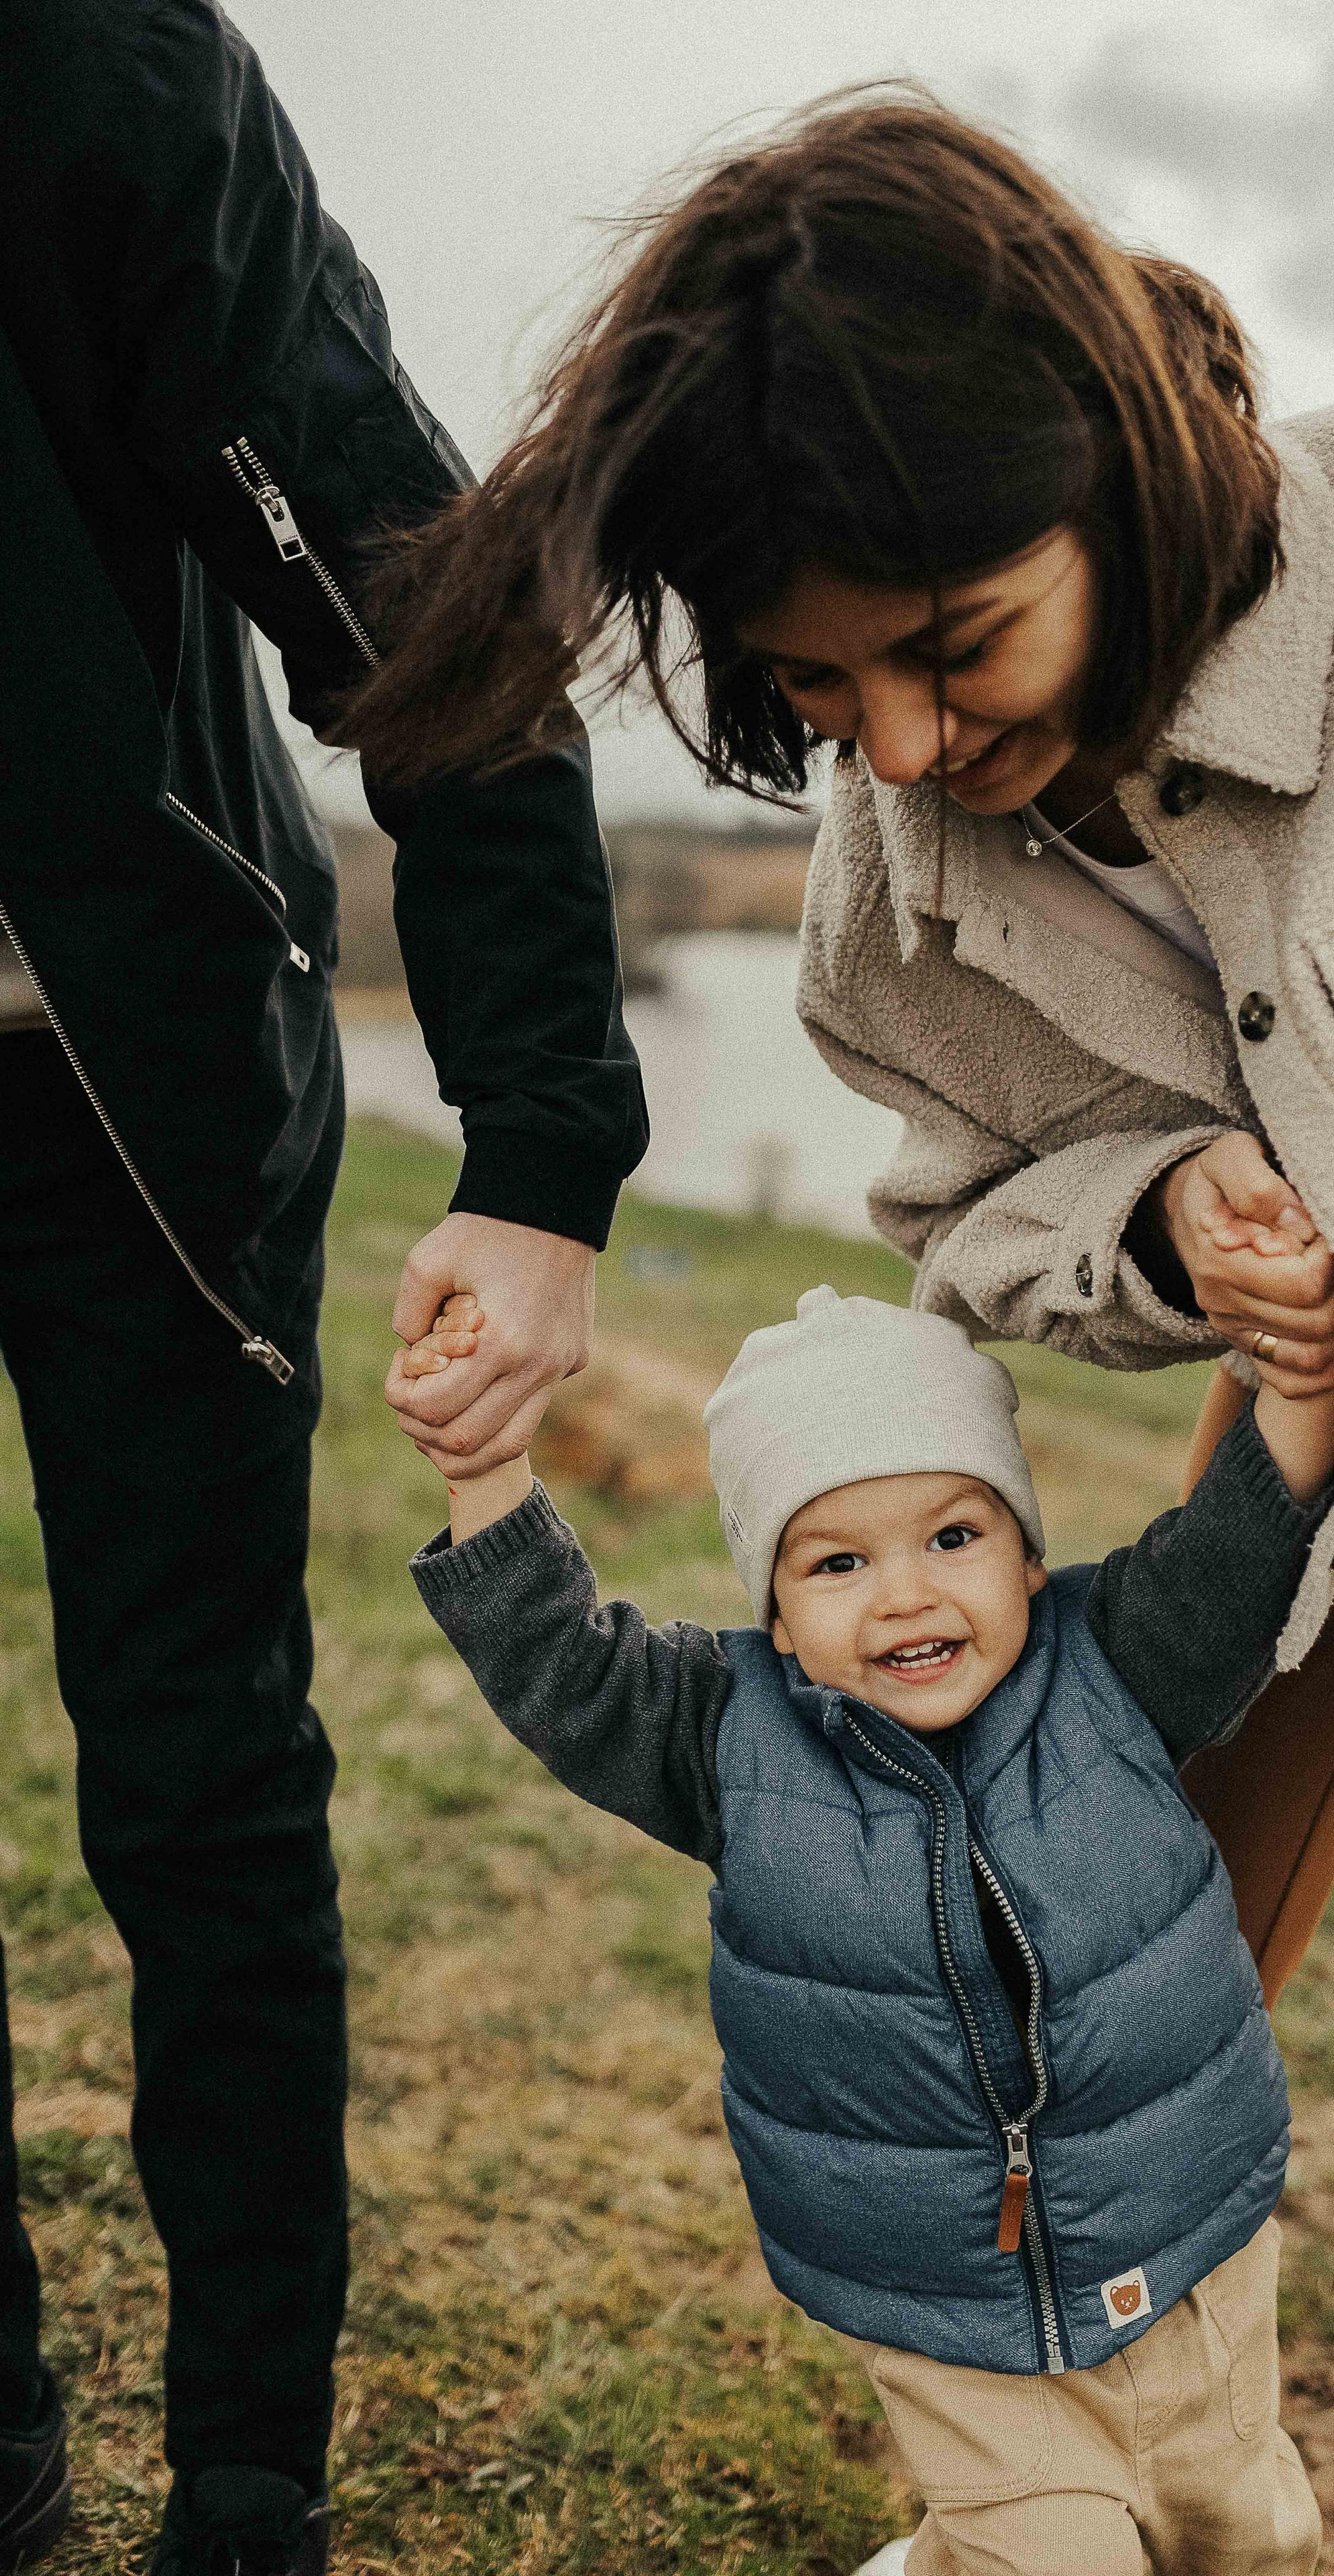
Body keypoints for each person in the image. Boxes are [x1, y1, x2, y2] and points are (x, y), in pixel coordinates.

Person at [339, 93, 1334, 2018]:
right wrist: (1156, 1226)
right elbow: (962, 1224)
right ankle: (1095, 2305)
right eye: (816, 683)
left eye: (956, 644)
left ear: (1119, 474)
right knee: (1113, 1942)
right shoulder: (882, 914)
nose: (898, 750)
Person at [0, 2, 643, 2566]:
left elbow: (422, 598)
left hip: (123, 1076)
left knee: (197, 1766)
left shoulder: (98, 86)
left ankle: (250, 2469)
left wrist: (549, 1149)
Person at [405, 1279, 1334, 2576]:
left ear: (1026, 1550)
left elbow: (1243, 1552)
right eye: (838, 1562)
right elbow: (564, 1667)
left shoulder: (1121, 1666)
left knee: (1247, 2539)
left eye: (953, 1537)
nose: (904, 1596)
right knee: (1056, 2562)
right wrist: (483, 1467)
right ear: (777, 1614)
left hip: (1183, 2239)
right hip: (942, 2289)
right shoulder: (731, 1738)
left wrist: (1299, 1379)